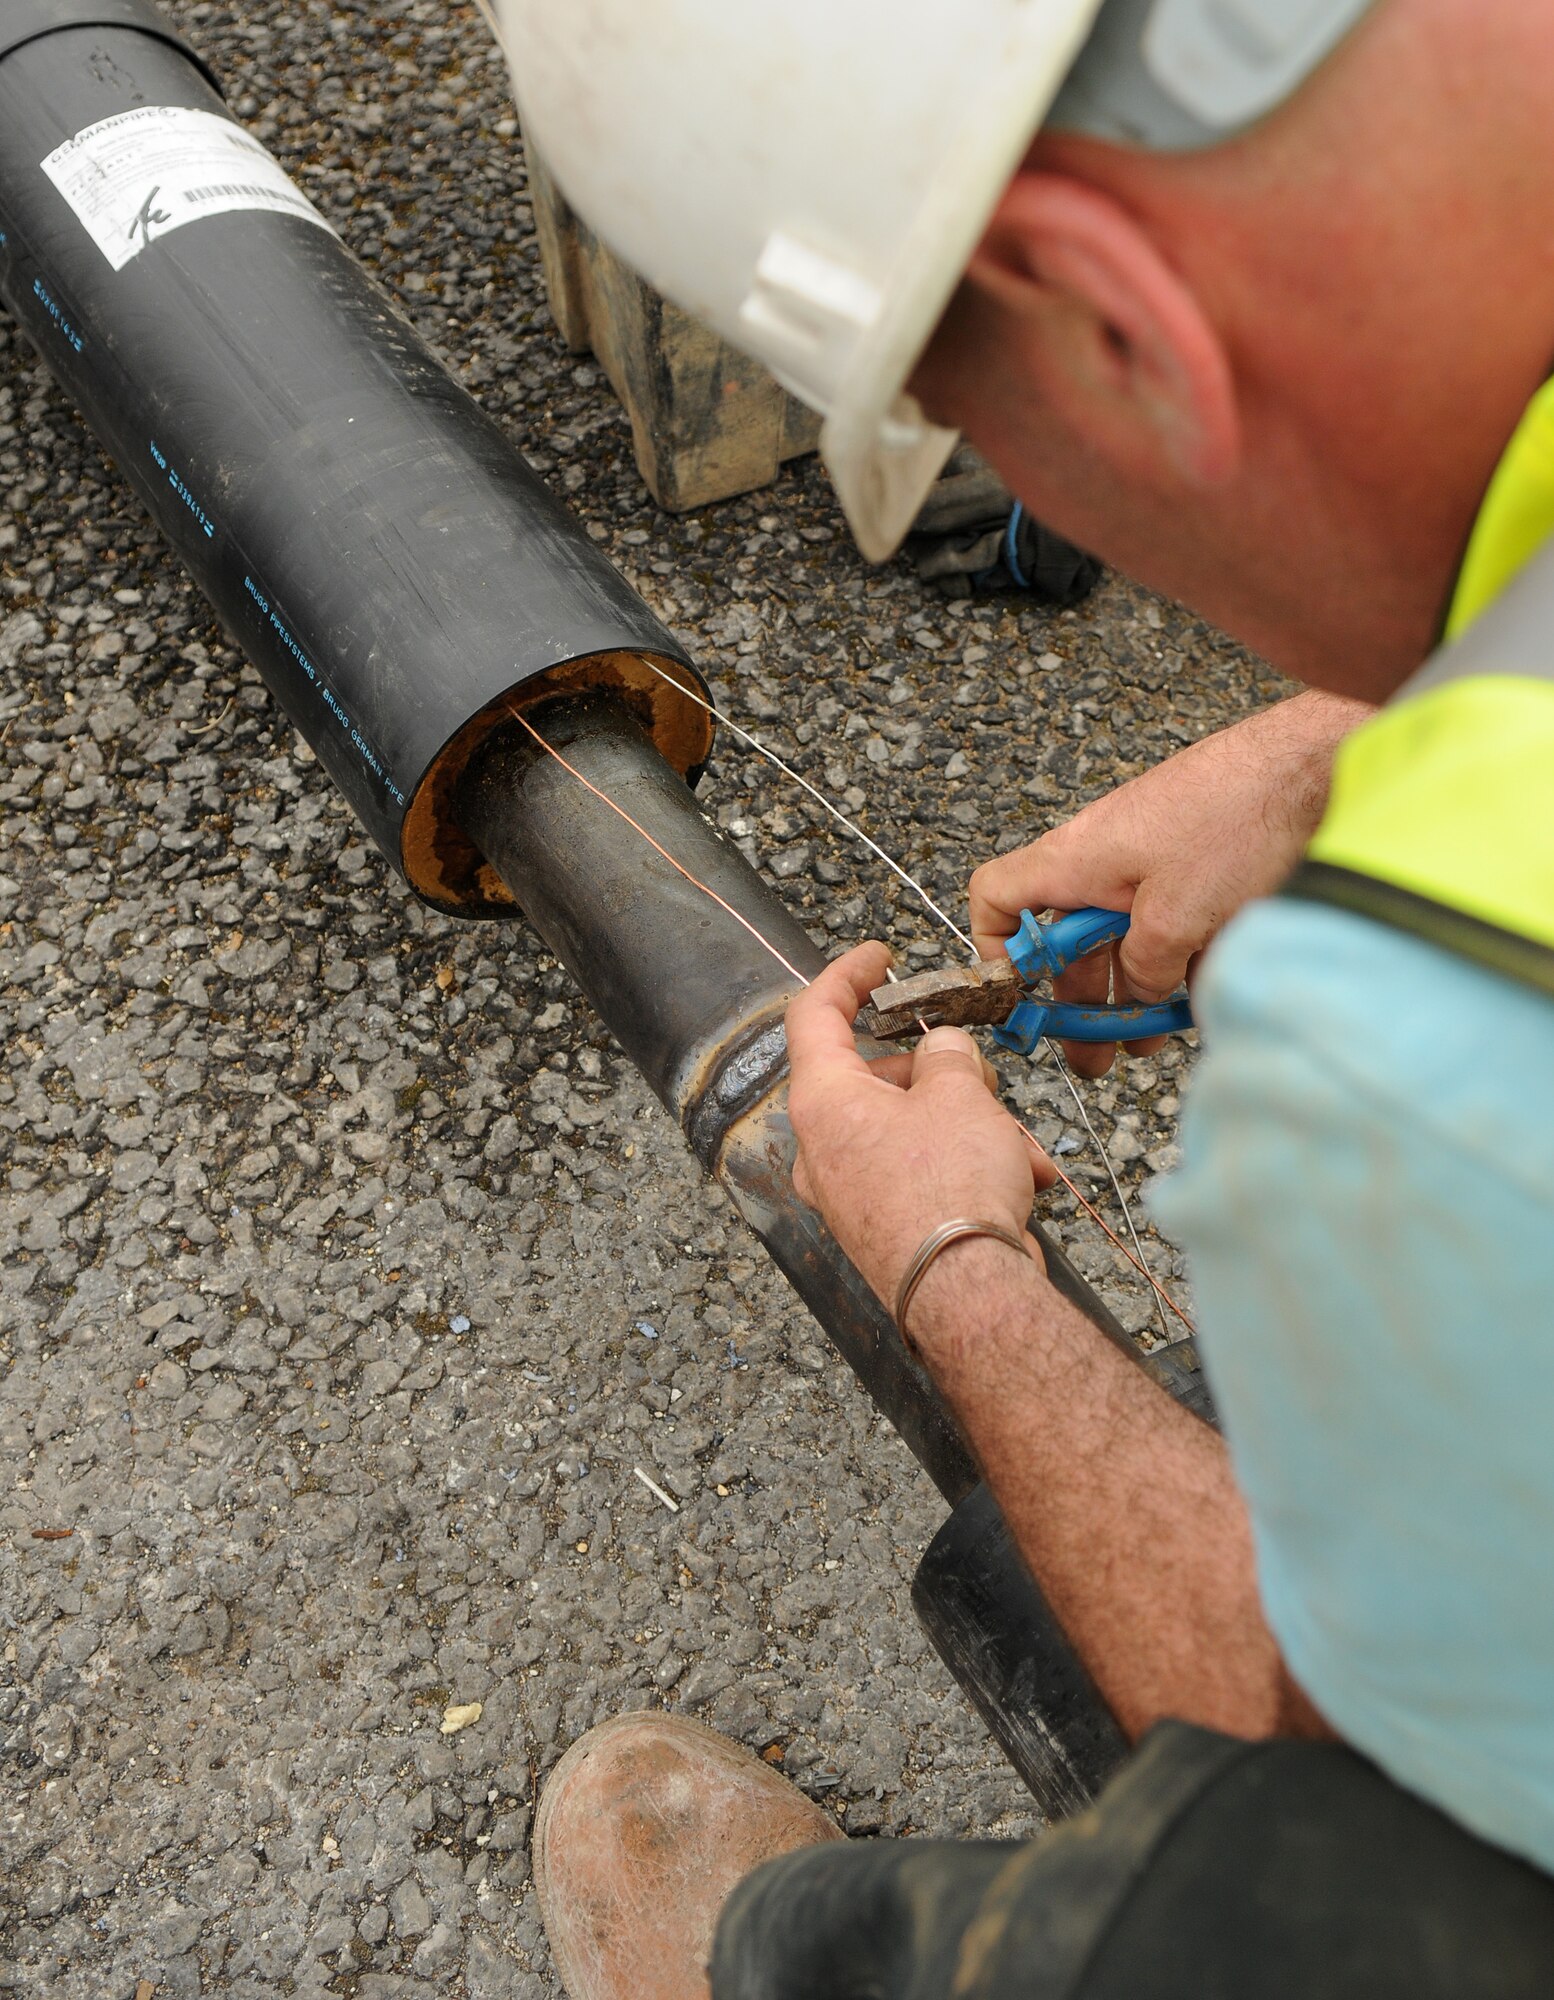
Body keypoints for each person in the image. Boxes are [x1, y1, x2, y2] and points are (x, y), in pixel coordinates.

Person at [488, 0, 1554, 1992]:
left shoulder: (1427, 1054)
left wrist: (949, 1251)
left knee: (1213, 1914)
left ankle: (775, 1955)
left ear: (1111, 318)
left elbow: (1301, 1741)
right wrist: (1329, 747)